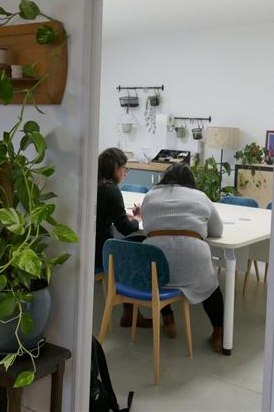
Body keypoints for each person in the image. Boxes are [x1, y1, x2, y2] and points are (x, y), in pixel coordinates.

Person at [141, 163, 225, 353]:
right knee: (211, 288)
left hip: (156, 260)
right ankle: (219, 333)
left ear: (164, 178)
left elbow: (146, 228)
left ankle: (168, 318)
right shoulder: (200, 197)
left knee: (158, 282)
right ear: (190, 180)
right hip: (192, 259)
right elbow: (217, 230)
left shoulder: (150, 196)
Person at [96, 147, 150, 327]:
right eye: (124, 169)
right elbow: (126, 229)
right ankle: (131, 312)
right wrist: (137, 218)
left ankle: (129, 311)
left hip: (89, 247)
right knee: (137, 246)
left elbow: (103, 214)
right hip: (101, 253)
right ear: (115, 169)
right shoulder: (111, 190)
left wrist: (121, 216)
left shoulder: (94, 184)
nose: (125, 173)